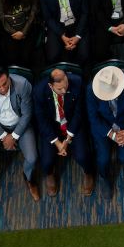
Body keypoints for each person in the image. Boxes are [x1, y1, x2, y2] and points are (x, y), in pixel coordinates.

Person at [34, 66, 95, 197]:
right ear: (51, 86)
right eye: (59, 89)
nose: (64, 90)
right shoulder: (39, 91)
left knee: (83, 156)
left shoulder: (77, 83)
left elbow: (79, 114)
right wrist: (57, 144)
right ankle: (50, 174)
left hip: (73, 125)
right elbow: (42, 120)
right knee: (46, 161)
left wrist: (67, 140)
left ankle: (88, 173)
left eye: (66, 85)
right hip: (52, 127)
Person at [88, 63, 124, 195]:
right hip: (104, 128)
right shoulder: (91, 90)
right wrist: (113, 135)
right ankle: (104, 178)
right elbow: (93, 118)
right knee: (103, 160)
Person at [41, 0, 90, 64]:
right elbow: (48, 17)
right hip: (58, 24)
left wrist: (78, 36)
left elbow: (85, 12)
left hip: (77, 23)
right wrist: (61, 35)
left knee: (84, 55)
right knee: (52, 56)